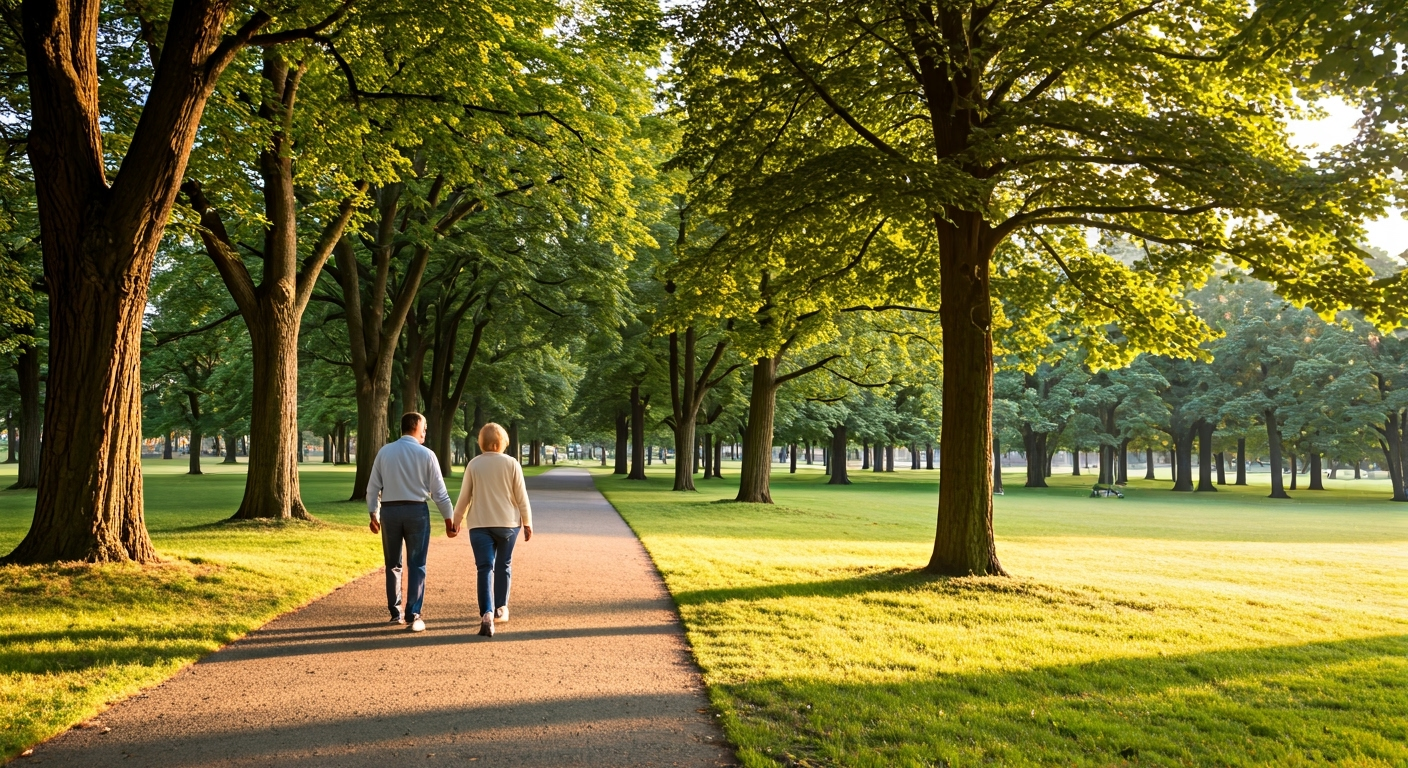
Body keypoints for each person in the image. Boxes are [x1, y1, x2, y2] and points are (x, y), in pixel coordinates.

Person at [367, 411, 456, 632]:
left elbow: (373, 488)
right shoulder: (427, 455)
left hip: (390, 512)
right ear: (415, 426)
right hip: (417, 511)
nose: (425, 431)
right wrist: (449, 519)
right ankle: (413, 612)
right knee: (417, 563)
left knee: (393, 564)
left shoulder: (384, 452)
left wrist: (373, 513)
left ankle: (395, 613)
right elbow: (440, 493)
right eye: (424, 427)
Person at [452, 422, 533, 637]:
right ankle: (501, 608)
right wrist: (527, 522)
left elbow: (464, 497)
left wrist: (455, 520)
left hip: (479, 524)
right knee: (503, 564)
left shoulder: (474, 465)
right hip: (508, 524)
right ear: (499, 444)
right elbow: (521, 497)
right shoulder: (512, 464)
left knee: (484, 568)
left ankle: (486, 613)